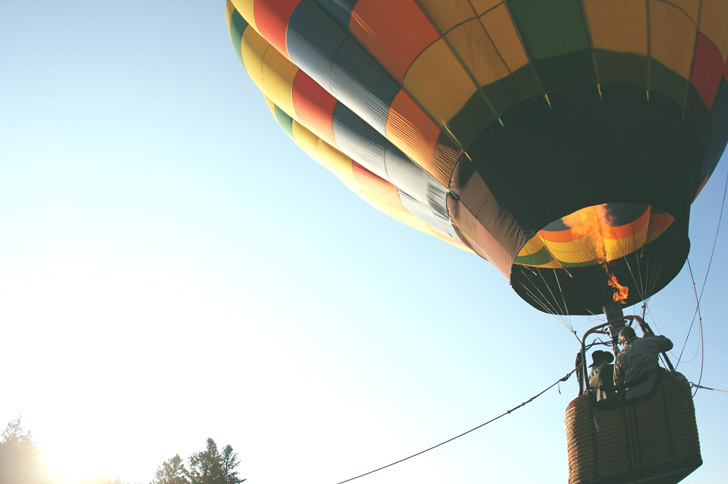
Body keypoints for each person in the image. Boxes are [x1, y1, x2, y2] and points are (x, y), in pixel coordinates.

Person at [613, 325, 673, 400]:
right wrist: (652, 337)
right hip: (654, 388)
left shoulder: (620, 356)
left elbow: (618, 382)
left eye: (621, 343)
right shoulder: (648, 341)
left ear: (624, 338)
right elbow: (669, 344)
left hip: (632, 396)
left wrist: (620, 397)